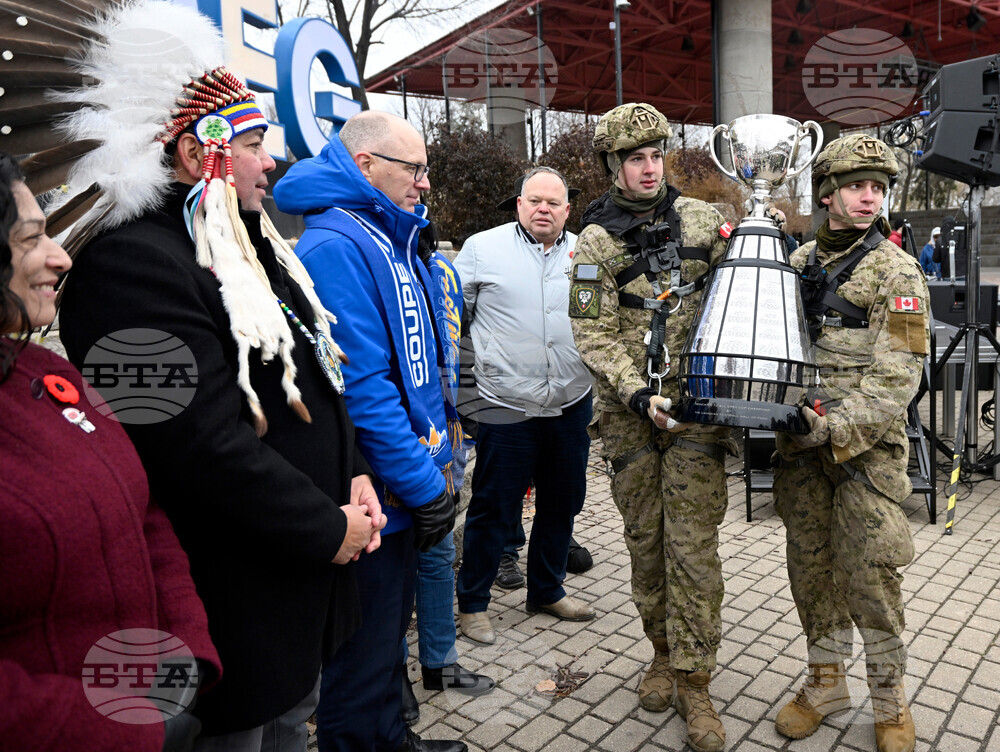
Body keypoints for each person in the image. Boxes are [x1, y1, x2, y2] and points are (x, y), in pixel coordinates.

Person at [54, 3, 383, 748]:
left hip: (296, 591)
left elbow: (314, 372)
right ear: (193, 152)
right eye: (254, 143)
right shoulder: (125, 266)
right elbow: (192, 444)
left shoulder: (242, 242)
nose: (271, 162)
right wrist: (322, 525)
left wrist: (355, 471)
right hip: (229, 610)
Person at [0, 151, 222, 749]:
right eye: (29, 239)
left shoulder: (48, 373)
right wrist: (121, 731)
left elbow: (141, 512)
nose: (59, 256)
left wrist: (186, 657)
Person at [273, 110, 477, 752]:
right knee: (363, 654)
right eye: (412, 169)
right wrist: (423, 487)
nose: (423, 183)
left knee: (389, 636)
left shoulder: (389, 236)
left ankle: (394, 737)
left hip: (404, 481)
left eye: (425, 169)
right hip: (377, 491)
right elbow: (365, 388)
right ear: (365, 166)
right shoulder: (338, 244)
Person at [568, 103, 733, 752]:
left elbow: (739, 305)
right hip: (631, 421)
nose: (647, 168)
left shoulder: (705, 221)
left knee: (692, 550)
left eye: (655, 155)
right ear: (613, 165)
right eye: (633, 158)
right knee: (646, 546)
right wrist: (638, 394)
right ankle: (661, 652)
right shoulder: (593, 242)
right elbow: (590, 329)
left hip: (695, 416)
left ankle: (696, 682)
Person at [772, 134, 927, 752]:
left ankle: (890, 701)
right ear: (828, 193)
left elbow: (900, 375)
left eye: (879, 188)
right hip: (798, 450)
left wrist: (833, 426)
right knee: (811, 572)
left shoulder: (896, 268)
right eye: (858, 186)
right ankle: (826, 682)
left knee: (870, 579)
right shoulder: (798, 259)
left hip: (864, 454)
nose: (870, 197)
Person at [452, 166, 595, 644]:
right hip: (504, 404)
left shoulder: (586, 252)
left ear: (567, 210)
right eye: (534, 200)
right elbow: (454, 324)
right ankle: (473, 603)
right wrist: (466, 394)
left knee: (562, 502)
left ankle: (547, 590)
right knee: (494, 508)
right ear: (518, 204)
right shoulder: (481, 249)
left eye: (554, 203)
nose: (543, 209)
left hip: (570, 403)